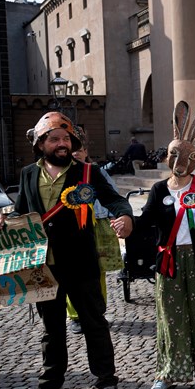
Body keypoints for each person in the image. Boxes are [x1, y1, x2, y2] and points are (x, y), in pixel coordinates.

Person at [0, 111, 134, 389]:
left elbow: (114, 200)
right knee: (51, 329)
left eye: (66, 138)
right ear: (41, 144)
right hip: (43, 266)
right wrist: (4, 217)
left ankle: (107, 383)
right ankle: (49, 387)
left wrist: (125, 216)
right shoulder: (28, 174)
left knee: (94, 325)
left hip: (81, 264)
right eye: (54, 139)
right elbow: (24, 211)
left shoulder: (87, 174)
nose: (62, 143)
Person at [137, 101, 195, 389]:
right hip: (170, 260)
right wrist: (126, 224)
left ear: (194, 158)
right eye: (175, 154)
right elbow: (146, 219)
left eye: (187, 156)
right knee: (170, 317)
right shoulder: (160, 189)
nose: (181, 161)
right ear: (168, 157)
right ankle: (168, 373)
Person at [65, 133, 122, 334]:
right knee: (72, 272)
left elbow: (113, 196)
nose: (76, 155)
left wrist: (118, 216)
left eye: (79, 151)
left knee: (98, 272)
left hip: (97, 224)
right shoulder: (63, 174)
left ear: (86, 152)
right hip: (72, 229)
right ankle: (75, 316)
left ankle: (98, 311)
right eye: (73, 152)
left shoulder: (96, 172)